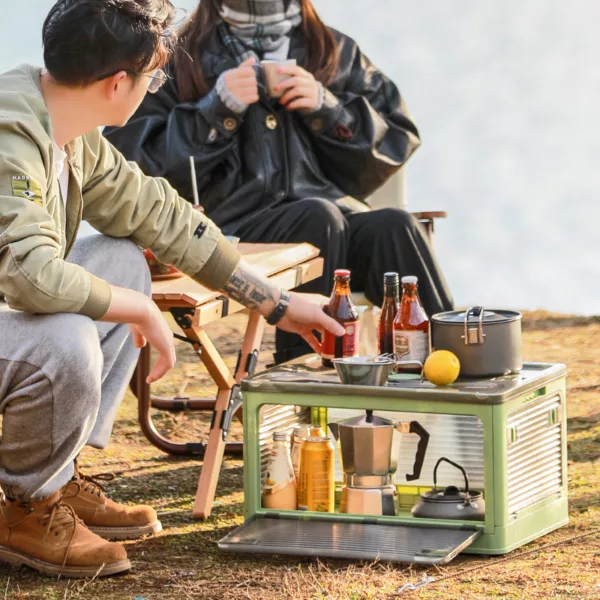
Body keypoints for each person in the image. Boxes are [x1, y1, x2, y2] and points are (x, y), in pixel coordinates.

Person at [0, 0, 344, 579]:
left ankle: (56, 480)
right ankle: (26, 508)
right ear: (118, 83)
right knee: (66, 339)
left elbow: (163, 216)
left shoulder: (65, 126)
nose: (154, 85)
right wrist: (140, 310)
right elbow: (30, 273)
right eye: (152, 76)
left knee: (118, 257)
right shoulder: (12, 132)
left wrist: (278, 303)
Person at [105, 0, 454, 364]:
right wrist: (216, 110)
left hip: (333, 220)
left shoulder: (333, 50)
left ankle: (456, 374)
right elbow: (130, 161)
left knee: (395, 224)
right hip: (229, 232)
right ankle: (299, 388)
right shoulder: (180, 55)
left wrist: (328, 109)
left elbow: (396, 139)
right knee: (317, 217)